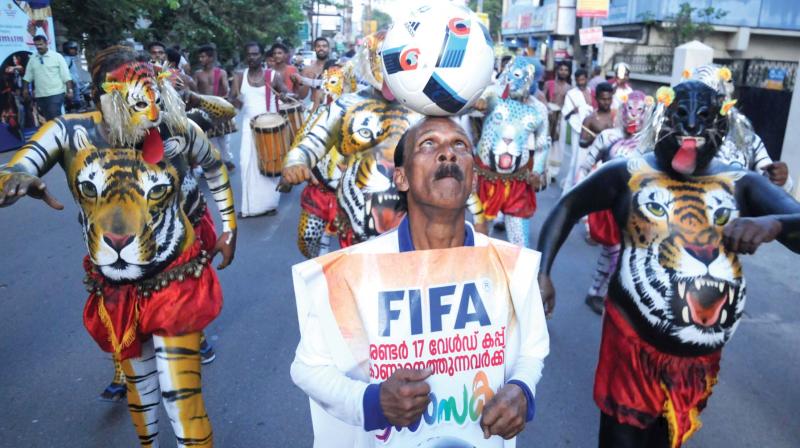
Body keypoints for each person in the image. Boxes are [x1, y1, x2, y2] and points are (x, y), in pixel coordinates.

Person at [537, 79, 800, 448]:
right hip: (630, 348)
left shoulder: (742, 182)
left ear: (721, 127)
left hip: (695, 363)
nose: (690, 129)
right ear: (662, 120)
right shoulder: (626, 172)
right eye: (680, 117)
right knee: (622, 440)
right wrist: (543, 271)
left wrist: (773, 223)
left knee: (667, 439)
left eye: (704, 118)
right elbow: (568, 206)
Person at [0, 45, 237, 447]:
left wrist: (229, 227)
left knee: (182, 398)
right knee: (140, 392)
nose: (150, 112)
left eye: (152, 95)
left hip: (174, 280)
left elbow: (213, 164)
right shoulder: (70, 130)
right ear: (100, 98)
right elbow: (22, 161)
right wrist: (15, 175)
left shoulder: (173, 125)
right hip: (114, 286)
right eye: (133, 98)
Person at [290, 116, 550, 445]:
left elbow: (533, 351)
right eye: (428, 144)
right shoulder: (352, 272)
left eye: (460, 145)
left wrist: (522, 390)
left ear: (472, 180)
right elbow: (307, 368)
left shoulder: (512, 266)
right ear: (401, 177)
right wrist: (370, 402)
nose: (448, 154)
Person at [577, 91, 652, 314]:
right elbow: (585, 167)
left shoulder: (649, 142)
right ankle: (605, 296)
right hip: (609, 207)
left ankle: (600, 293)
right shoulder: (608, 136)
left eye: (639, 111)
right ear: (622, 110)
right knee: (616, 253)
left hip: (637, 210)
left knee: (626, 255)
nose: (633, 116)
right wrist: (583, 206)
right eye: (630, 109)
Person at [230, 41, 290, 217]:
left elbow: (285, 92)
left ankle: (269, 204)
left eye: (255, 54)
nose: (252, 57)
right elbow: (233, 99)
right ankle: (249, 208)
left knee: (269, 163)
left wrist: (285, 95)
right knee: (245, 163)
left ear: (262, 56)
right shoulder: (240, 77)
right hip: (249, 126)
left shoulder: (272, 76)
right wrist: (230, 102)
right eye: (249, 54)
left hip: (270, 127)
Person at [194, 44, 236, 171]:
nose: (200, 59)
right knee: (209, 137)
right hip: (205, 109)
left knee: (223, 137)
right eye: (200, 57)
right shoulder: (197, 74)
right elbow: (194, 91)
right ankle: (216, 160)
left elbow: (226, 88)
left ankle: (227, 159)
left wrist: (226, 97)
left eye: (203, 56)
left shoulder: (221, 72)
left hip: (219, 108)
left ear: (211, 58)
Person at [22, 35, 73, 121]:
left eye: (41, 44)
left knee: (54, 117)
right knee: (47, 119)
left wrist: (70, 90)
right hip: (40, 95)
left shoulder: (57, 57)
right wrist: (25, 90)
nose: (38, 47)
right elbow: (27, 77)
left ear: (46, 44)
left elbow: (66, 75)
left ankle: (59, 133)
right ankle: (58, 133)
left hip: (56, 93)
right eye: (36, 45)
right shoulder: (33, 59)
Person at [561, 68, 595, 192]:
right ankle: (570, 188)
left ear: (586, 79)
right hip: (577, 129)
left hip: (591, 130)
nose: (580, 82)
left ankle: (581, 186)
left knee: (588, 158)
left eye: (582, 79)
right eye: (578, 80)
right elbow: (565, 113)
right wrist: (574, 110)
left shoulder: (591, 92)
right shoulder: (571, 94)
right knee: (575, 158)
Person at [544, 61, 571, 183]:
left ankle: (553, 172)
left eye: (566, 70)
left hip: (561, 118)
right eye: (561, 69)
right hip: (548, 115)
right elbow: (542, 99)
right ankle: (543, 169)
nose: (563, 72)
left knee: (558, 145)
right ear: (557, 71)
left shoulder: (570, 89)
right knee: (545, 142)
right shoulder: (548, 84)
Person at [579, 82, 615, 149]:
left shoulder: (618, 116)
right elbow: (582, 142)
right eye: (603, 99)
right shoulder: (589, 119)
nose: (607, 102)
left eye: (609, 99)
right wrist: (593, 139)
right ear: (596, 98)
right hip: (598, 157)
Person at [295, 37, 331, 102]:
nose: (321, 48)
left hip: (333, 108)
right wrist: (307, 80)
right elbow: (302, 96)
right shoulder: (307, 69)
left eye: (324, 46)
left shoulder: (335, 67)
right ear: (314, 49)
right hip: (314, 108)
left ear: (328, 49)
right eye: (318, 46)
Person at [61, 41, 85, 112]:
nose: (75, 50)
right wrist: (72, 81)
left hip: (75, 82)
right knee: (75, 97)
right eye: (73, 49)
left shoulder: (70, 58)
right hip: (72, 83)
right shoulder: (67, 59)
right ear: (67, 49)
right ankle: (75, 108)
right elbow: (65, 71)